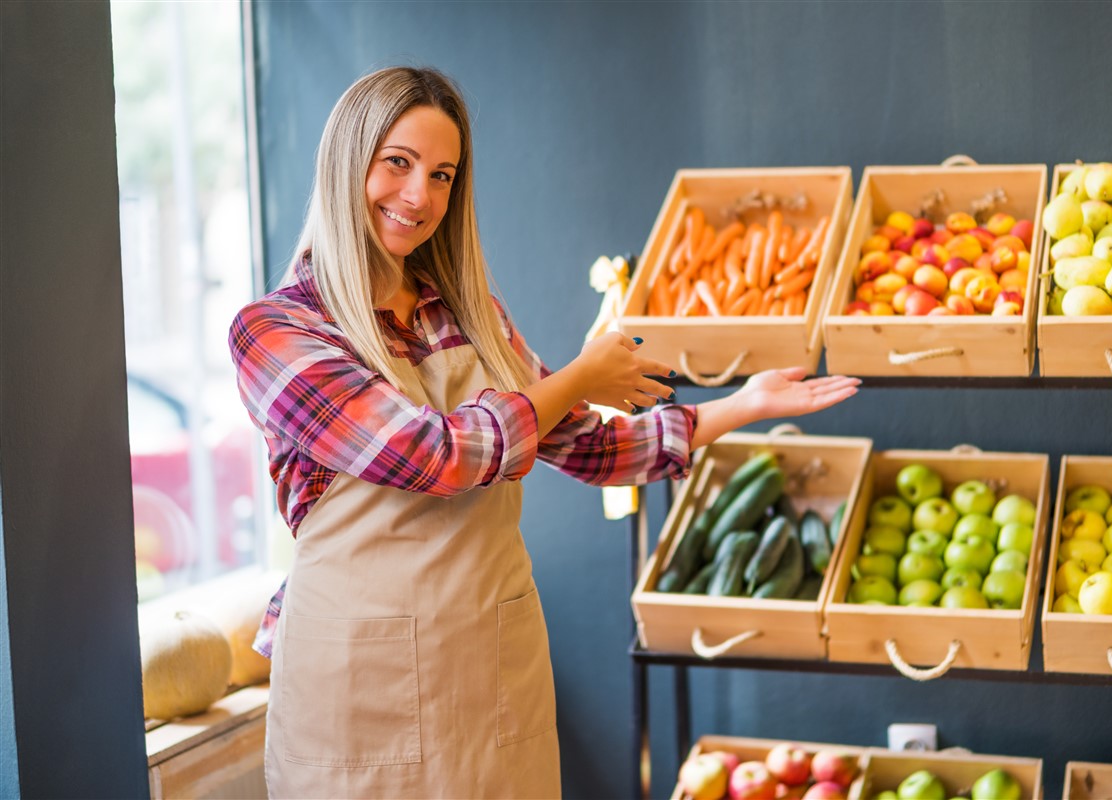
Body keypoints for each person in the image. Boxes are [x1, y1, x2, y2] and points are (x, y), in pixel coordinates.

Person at [228, 65, 859, 799]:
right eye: (397, 163)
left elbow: (588, 446)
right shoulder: (276, 331)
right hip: (359, 687)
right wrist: (582, 377)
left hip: (491, 665)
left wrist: (744, 405)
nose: (418, 197)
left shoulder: (469, 315)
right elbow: (433, 455)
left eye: (442, 175)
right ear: (347, 162)